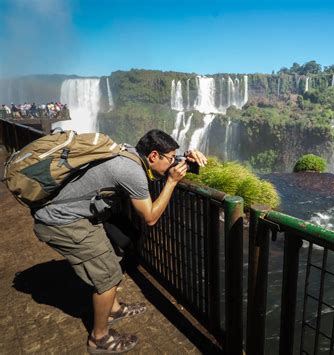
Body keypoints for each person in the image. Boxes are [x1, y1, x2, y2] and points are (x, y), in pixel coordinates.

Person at [32, 129, 207, 353]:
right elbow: (151, 217)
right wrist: (171, 183)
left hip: (77, 213)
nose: (174, 162)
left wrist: (190, 158)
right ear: (153, 156)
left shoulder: (129, 152)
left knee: (118, 247)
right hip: (61, 221)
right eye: (172, 158)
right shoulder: (131, 171)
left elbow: (165, 164)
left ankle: (113, 309)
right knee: (107, 276)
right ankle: (99, 338)